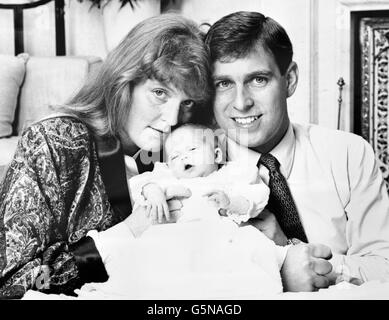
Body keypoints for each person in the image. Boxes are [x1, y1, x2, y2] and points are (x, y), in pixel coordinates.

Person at [0, 13, 212, 298]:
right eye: (160, 93)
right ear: (124, 83)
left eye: (186, 101)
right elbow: (12, 282)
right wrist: (129, 232)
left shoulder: (184, 148)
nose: (173, 118)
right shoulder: (53, 141)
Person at [204, 11, 389, 291]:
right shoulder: (193, 165)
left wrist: (291, 252)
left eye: (258, 80)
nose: (241, 103)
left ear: (289, 80)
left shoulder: (349, 154)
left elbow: (384, 267)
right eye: (224, 83)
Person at [129, 123, 270, 224]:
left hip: (225, 241)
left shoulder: (231, 174)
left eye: (192, 149)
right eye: (174, 156)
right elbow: (139, 184)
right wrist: (153, 192)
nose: (184, 157)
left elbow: (256, 197)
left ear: (217, 155)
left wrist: (230, 203)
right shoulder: (169, 178)